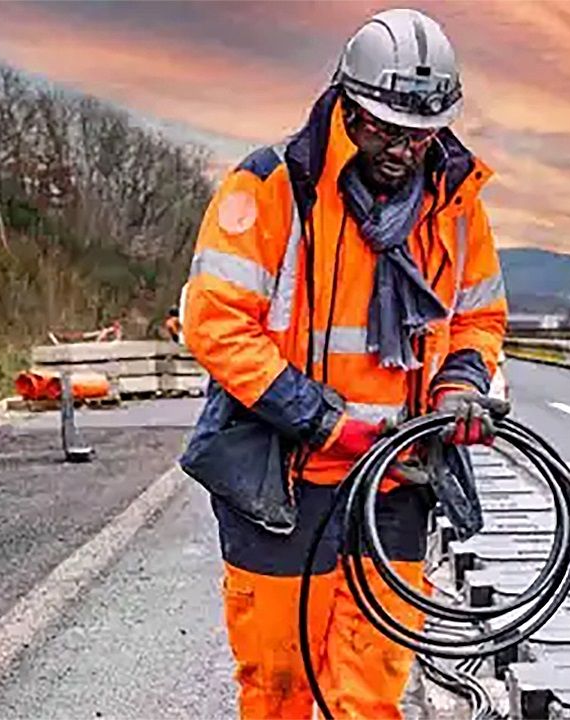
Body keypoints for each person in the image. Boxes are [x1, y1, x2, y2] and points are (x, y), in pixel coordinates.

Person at [179, 9, 507, 718]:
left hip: (393, 482)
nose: (401, 149)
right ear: (345, 104)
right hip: (284, 480)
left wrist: (459, 384)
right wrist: (324, 421)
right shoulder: (270, 189)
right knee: (279, 683)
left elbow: (478, 319)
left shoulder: (455, 210)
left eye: (418, 134)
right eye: (384, 128)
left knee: (371, 689)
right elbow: (214, 324)